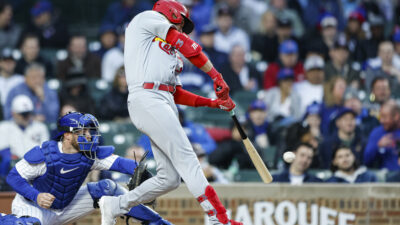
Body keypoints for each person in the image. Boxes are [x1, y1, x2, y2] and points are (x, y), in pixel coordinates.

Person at [98, 1, 242, 224]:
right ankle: (219, 219)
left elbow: (177, 93)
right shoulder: (147, 18)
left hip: (164, 100)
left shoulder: (169, 53)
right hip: (146, 96)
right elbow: (190, 47)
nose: (183, 28)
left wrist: (213, 103)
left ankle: (117, 204)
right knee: (188, 159)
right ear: (172, 13)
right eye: (183, 22)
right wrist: (216, 75)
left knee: (170, 179)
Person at [6, 112, 172, 225]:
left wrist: (147, 174)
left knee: (108, 187)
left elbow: (121, 163)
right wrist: (36, 196)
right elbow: (13, 177)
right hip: (34, 207)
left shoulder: (90, 154)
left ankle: (158, 223)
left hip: (66, 207)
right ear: (67, 135)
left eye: (88, 130)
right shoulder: (46, 154)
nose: (88, 135)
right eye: (81, 131)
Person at [0, 95, 49, 177]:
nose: (26, 117)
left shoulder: (40, 127)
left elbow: (45, 151)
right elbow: (4, 153)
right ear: (13, 114)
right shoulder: (4, 127)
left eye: (28, 113)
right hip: (13, 169)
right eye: (23, 114)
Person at [364, 100, 400, 170]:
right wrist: (378, 146)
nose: (381, 121)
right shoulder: (377, 133)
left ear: (396, 116)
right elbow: (366, 160)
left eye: (385, 117)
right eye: (380, 117)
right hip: (385, 177)